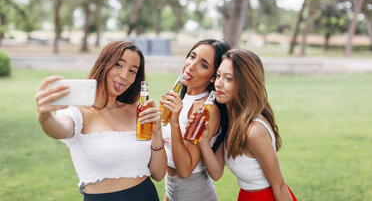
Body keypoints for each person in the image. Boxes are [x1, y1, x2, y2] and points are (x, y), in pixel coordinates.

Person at [35, 40, 166, 201]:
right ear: (104, 64)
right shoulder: (79, 111)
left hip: (146, 195)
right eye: (119, 65)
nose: (124, 76)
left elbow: (159, 174)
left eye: (132, 71)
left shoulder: (138, 111)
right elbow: (59, 128)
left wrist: (157, 131)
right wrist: (45, 117)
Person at [194, 48, 297, 201]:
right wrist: (203, 141)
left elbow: (280, 186)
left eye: (228, 79)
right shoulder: (231, 120)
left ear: (245, 84)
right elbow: (216, 173)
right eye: (218, 76)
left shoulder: (254, 131)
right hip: (245, 196)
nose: (219, 84)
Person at [160, 39, 231, 201]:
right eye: (192, 56)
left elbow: (184, 171)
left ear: (214, 77)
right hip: (173, 192)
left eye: (203, 65)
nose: (191, 65)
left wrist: (175, 121)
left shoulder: (207, 110)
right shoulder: (183, 98)